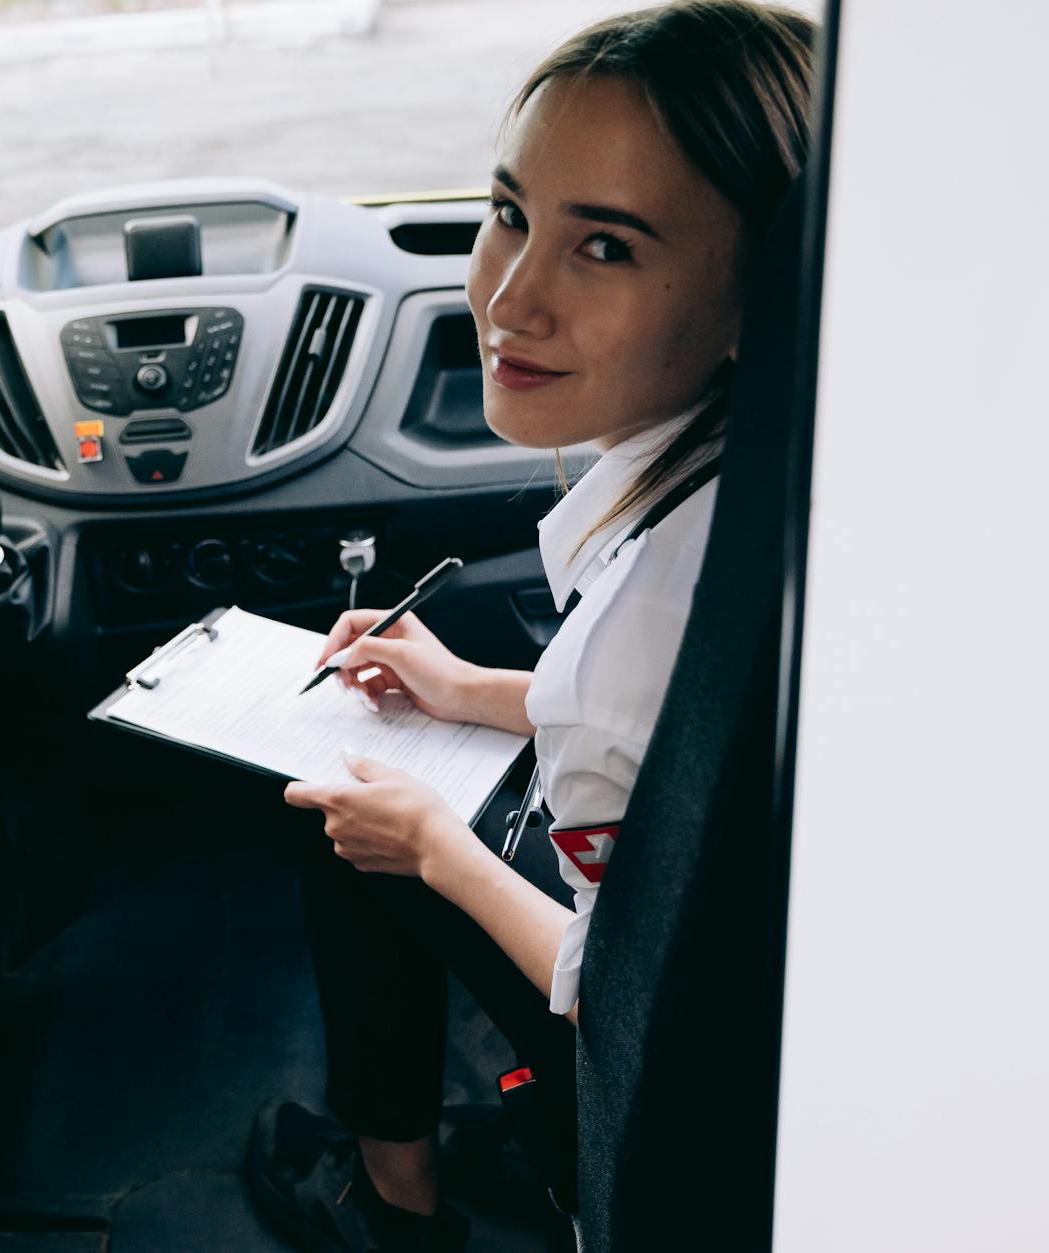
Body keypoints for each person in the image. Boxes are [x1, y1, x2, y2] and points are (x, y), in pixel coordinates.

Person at [246, 3, 816, 1249]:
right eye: (508, 213)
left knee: (347, 822)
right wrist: (466, 687)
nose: (508, 295)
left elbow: (618, 996)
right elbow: (660, 741)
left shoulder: (650, 618)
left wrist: (439, 846)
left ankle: (398, 1204)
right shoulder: (745, 482)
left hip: (643, 1049)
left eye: (602, 247)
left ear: (755, 292)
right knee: (374, 765)